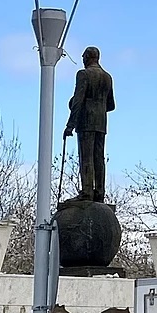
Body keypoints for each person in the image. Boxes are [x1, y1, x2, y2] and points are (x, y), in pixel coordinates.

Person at [63, 46, 116, 203]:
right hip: (101, 123)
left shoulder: (83, 74)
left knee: (86, 157)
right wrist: (98, 106)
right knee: (99, 158)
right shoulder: (107, 77)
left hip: (86, 121)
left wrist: (70, 125)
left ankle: (87, 192)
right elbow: (111, 105)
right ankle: (99, 192)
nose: (82, 59)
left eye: (83, 56)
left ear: (87, 57)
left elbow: (78, 100)